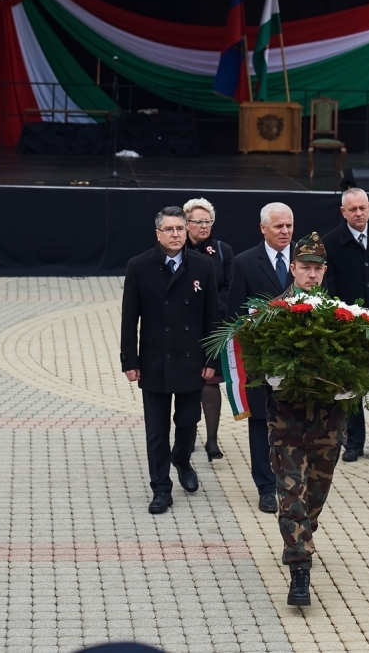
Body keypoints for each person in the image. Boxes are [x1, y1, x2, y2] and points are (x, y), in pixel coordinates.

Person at [120, 206, 219, 514]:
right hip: (154, 360)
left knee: (188, 422)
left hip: (192, 361)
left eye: (180, 229)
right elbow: (129, 318)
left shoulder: (203, 266)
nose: (176, 234)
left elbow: (212, 318)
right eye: (170, 229)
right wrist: (129, 360)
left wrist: (211, 359)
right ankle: (161, 488)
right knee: (156, 429)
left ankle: (182, 459)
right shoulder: (139, 266)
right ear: (158, 234)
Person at [266, 234, 347, 608]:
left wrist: (353, 385)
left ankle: (301, 537)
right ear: (293, 268)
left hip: (328, 425)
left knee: (314, 498)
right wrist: (269, 375)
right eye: (305, 267)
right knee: (291, 498)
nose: (312, 274)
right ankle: (300, 571)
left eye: (318, 268)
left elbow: (359, 361)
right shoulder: (274, 312)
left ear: (324, 270)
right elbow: (255, 358)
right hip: (287, 425)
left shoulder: (343, 314)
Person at [226, 202, 295, 514]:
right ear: (263, 228)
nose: (285, 232)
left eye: (289, 226)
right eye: (278, 226)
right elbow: (234, 314)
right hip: (259, 362)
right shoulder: (243, 262)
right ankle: (265, 486)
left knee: (292, 422)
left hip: (297, 361)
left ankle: (291, 480)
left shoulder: (306, 261)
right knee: (259, 423)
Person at [321, 187, 369, 463]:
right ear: (343, 212)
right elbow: (328, 290)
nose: (359, 213)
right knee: (351, 386)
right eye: (352, 209)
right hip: (349, 328)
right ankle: (354, 441)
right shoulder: (331, 243)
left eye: (362, 208)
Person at [183, 196, 233, 462]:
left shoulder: (223, 250)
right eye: (198, 222)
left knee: (210, 380)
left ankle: (212, 440)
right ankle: (188, 436)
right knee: (188, 383)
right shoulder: (177, 251)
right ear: (186, 223)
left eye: (208, 221)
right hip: (185, 327)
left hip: (214, 326)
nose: (204, 226)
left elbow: (229, 287)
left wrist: (214, 309)